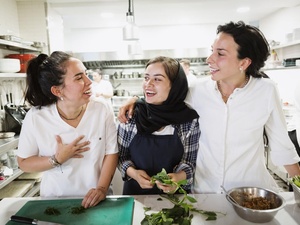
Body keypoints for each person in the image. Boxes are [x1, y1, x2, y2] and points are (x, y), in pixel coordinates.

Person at [118, 21, 300, 194]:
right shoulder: (198, 90)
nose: (209, 59)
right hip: (206, 193)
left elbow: (282, 147)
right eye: (212, 51)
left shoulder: (265, 90)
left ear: (243, 63)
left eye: (220, 54)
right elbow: (166, 99)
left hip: (250, 191)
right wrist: (136, 100)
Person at [17, 51, 118, 208]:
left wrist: (102, 188)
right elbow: (24, 162)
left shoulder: (102, 108)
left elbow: (111, 152)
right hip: (55, 201)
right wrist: (56, 159)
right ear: (57, 90)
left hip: (97, 199)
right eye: (79, 78)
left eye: (86, 74)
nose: (89, 81)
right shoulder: (36, 117)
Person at [118, 56, 200, 195]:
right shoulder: (131, 115)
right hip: (136, 198)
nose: (148, 84)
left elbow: (190, 162)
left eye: (157, 79)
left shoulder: (187, 120)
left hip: (176, 199)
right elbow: (121, 157)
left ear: (174, 85)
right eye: (146, 78)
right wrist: (134, 174)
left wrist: (179, 178)